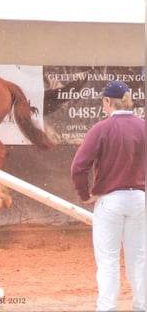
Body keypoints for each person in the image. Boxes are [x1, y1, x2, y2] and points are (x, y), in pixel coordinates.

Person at [71, 80, 145, 311]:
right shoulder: (143, 126)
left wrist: (85, 194)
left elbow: (78, 167)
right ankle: (142, 305)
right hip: (139, 199)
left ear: (107, 102)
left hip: (110, 200)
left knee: (108, 261)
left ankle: (107, 308)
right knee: (139, 258)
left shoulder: (101, 129)